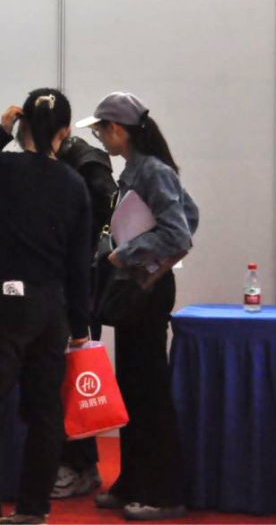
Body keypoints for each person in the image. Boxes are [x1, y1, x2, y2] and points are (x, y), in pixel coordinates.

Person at [0, 89, 93, 525]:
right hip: (51, 309)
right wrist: (80, 327)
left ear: (22, 124)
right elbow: (79, 264)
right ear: (64, 132)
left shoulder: (2, 166)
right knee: (45, 411)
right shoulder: (74, 184)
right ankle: (33, 508)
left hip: (3, 304)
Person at [77, 92, 198, 522]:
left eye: (101, 130)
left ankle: (164, 493)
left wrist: (123, 253)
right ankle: (133, 481)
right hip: (140, 288)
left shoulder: (152, 172)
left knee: (149, 390)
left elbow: (179, 233)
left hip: (146, 289)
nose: (99, 138)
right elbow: (190, 216)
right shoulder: (142, 169)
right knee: (133, 386)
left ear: (118, 129)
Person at [50, 132, 118, 500]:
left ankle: (77, 466)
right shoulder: (90, 166)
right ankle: (83, 465)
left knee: (72, 379)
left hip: (75, 290)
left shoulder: (80, 170)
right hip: (84, 288)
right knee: (77, 378)